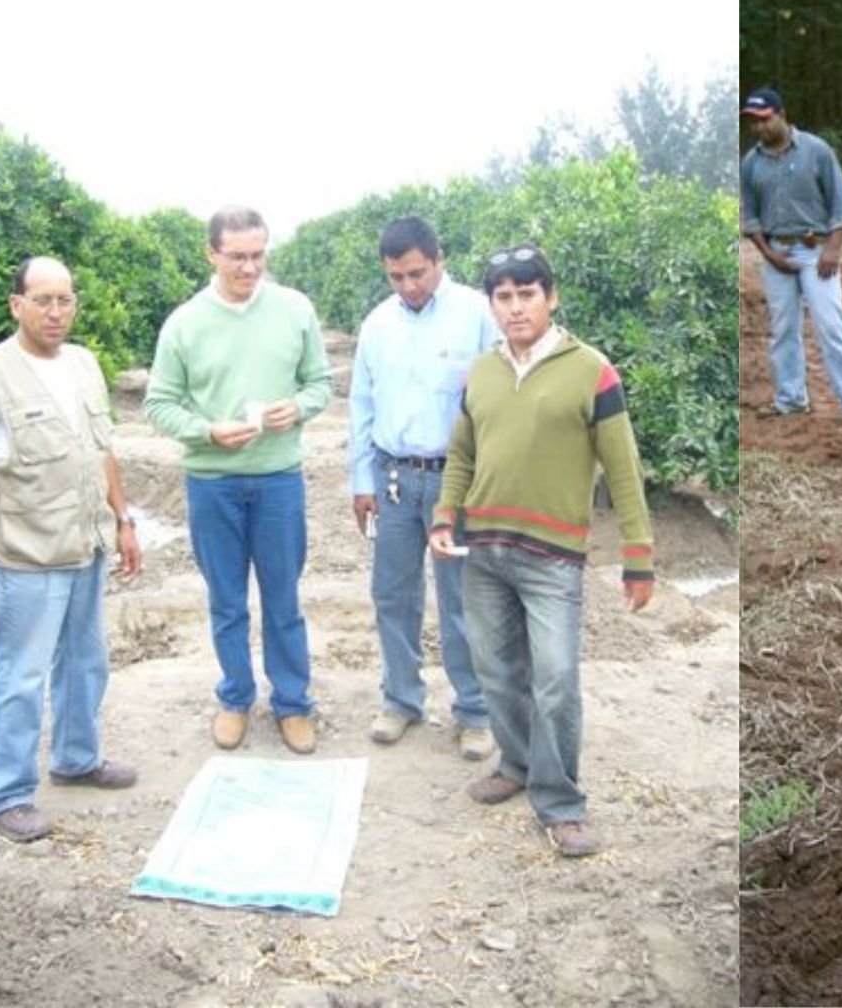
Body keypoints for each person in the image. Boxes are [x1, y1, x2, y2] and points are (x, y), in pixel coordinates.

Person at [428, 244, 655, 859]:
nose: (515, 307)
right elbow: (462, 456)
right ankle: (518, 763)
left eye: (527, 294)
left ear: (551, 298)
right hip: (484, 550)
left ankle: (561, 803)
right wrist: (447, 513)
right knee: (497, 670)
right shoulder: (482, 371)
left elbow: (623, 469)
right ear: (492, 305)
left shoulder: (591, 370)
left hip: (553, 557)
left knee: (555, 680)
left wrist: (640, 553)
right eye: (503, 296)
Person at [0, 256, 142, 843]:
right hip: (26, 556)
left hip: (87, 545)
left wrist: (123, 520)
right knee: (19, 675)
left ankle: (77, 759)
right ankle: (6, 796)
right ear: (17, 305)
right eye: (44, 300)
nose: (57, 312)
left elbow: (101, 450)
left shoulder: (82, 365)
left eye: (66, 300)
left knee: (87, 660)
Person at [145, 207, 333, 755]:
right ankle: (235, 698)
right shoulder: (184, 323)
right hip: (213, 484)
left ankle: (293, 704)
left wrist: (295, 410)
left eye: (258, 255)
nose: (250, 268)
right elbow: (159, 404)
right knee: (226, 601)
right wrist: (207, 430)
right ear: (212, 254)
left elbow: (319, 383)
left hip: (278, 480)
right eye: (238, 257)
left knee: (283, 598)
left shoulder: (295, 310)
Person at [348, 216, 500, 759]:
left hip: (454, 480)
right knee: (392, 593)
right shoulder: (377, 325)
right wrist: (360, 480)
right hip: (392, 480)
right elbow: (361, 406)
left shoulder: (478, 315)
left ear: (439, 259)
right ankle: (402, 700)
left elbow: (500, 400)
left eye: (417, 273)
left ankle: (475, 711)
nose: (409, 286)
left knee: (462, 599)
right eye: (396, 277)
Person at [739, 87, 842, 424]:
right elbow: (750, 216)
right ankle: (790, 400)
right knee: (783, 329)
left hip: (816, 252)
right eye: (753, 122)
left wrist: (833, 249)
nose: (759, 128)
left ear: (782, 115)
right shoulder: (751, 163)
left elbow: (841, 206)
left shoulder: (816, 151)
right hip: (776, 253)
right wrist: (768, 255)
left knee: (831, 325)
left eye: (764, 119)